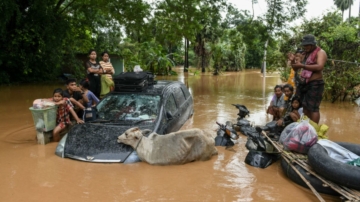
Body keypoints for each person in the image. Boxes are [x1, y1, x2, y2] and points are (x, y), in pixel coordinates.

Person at [288, 34, 327, 124]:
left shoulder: (320, 52)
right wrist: (293, 61)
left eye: (307, 45)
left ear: (312, 44)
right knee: (305, 106)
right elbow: (295, 68)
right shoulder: (304, 54)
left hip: (315, 83)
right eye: (304, 45)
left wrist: (302, 65)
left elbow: (319, 67)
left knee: (313, 108)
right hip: (304, 83)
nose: (305, 47)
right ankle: (306, 127)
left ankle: (314, 129)